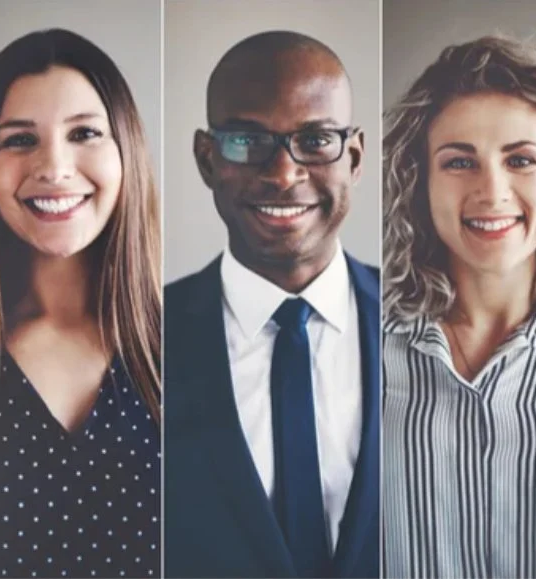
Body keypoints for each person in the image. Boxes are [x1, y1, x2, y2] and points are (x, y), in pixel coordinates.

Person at [0, 28, 162, 578]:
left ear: (126, 151)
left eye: (84, 132)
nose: (55, 167)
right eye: (20, 139)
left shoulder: (202, 346)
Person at [380, 35, 536, 577]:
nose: (493, 191)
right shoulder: (360, 350)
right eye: (459, 162)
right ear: (420, 183)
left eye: (521, 159)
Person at [164, 30, 379, 578]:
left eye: (315, 141)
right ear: (207, 159)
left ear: (354, 157)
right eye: (246, 140)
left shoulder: (427, 322)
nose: (284, 174)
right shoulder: (136, 337)